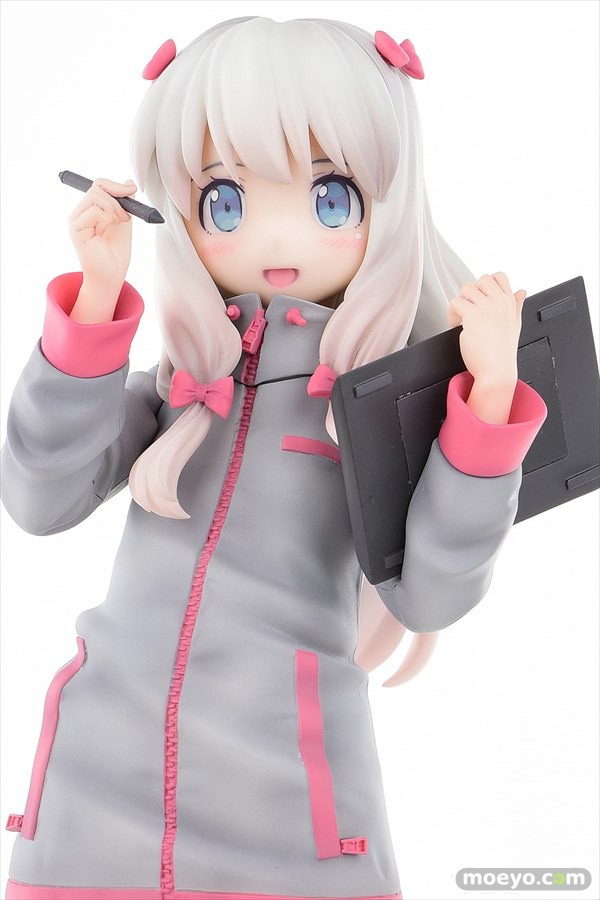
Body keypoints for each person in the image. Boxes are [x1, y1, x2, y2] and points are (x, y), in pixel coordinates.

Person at [0, 16, 546, 900]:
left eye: (331, 197)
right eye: (226, 200)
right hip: (88, 815)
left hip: (290, 824)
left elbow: (433, 591)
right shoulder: (178, 390)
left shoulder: (376, 411)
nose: (277, 240)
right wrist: (96, 301)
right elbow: (40, 498)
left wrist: (487, 401)